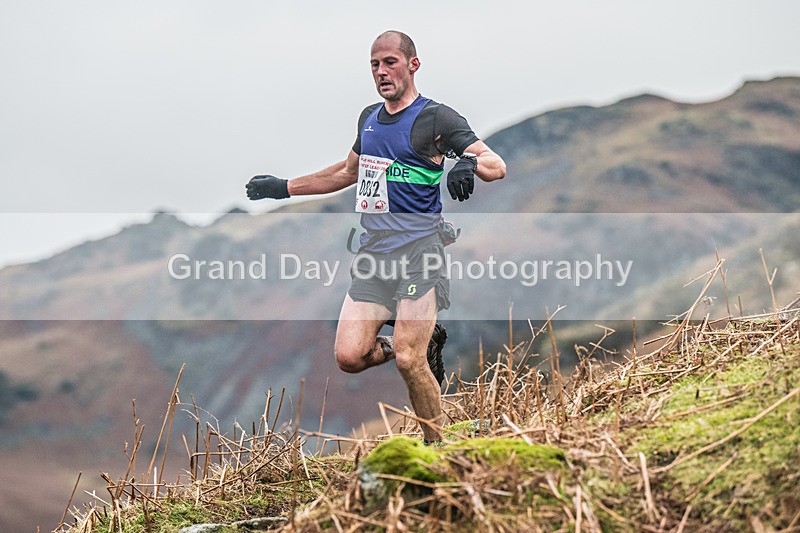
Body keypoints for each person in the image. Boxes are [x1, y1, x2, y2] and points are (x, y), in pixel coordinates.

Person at [246, 30, 505, 443]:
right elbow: (346, 172)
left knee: (407, 358)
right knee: (350, 356)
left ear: (413, 65)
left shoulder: (436, 118)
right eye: (374, 65)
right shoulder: (369, 118)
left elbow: (496, 164)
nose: (381, 72)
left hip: (421, 252)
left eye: (390, 62)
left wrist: (469, 165)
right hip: (374, 256)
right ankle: (419, 339)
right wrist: (283, 187)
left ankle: (436, 448)